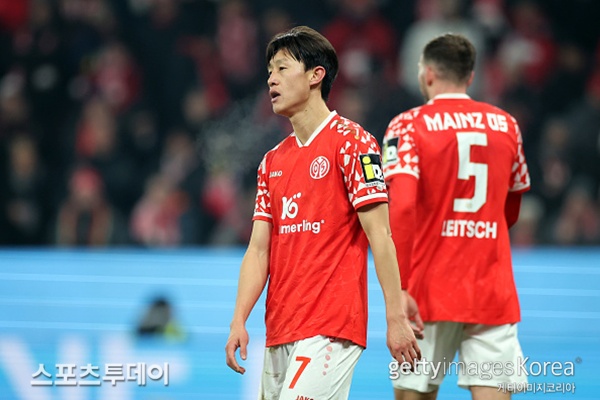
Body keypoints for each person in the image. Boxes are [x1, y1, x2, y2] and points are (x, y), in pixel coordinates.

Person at [225, 25, 421, 399]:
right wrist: (239, 319)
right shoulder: (271, 162)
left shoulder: (353, 143)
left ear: (316, 75)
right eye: (269, 71)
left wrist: (395, 317)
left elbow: (380, 235)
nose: (271, 79)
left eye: (282, 68)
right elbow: (259, 250)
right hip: (280, 329)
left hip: (331, 327)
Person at [382, 33, 531, 400]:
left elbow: (401, 207)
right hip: (491, 288)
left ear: (428, 73)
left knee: (414, 394)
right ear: (470, 76)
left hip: (428, 290)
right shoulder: (506, 124)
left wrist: (401, 287)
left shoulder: (407, 125)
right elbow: (512, 204)